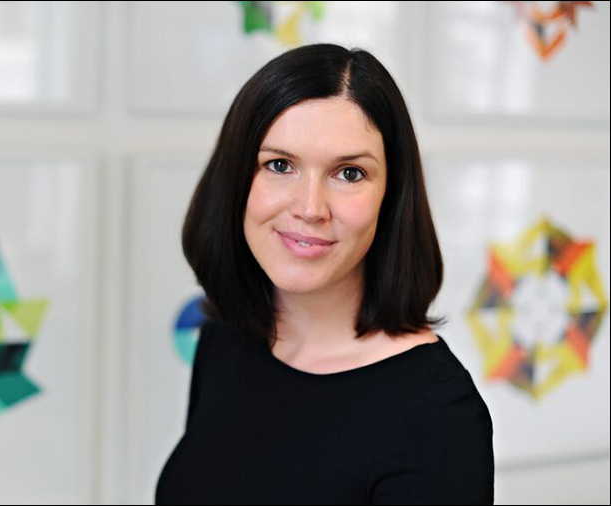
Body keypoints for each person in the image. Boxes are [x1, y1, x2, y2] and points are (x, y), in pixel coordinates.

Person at [155, 43, 494, 505]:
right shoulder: (225, 337)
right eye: (279, 165)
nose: (311, 209)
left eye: (350, 173)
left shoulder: (437, 413)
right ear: (237, 181)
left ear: (390, 197)